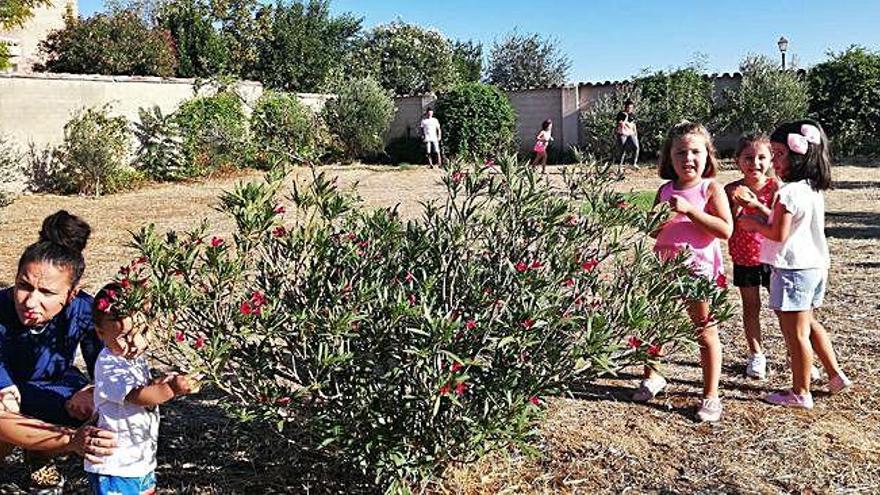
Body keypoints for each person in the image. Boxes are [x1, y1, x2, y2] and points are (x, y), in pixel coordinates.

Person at [0, 210, 118, 493]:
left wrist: (91, 390)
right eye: (23, 286)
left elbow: (103, 362)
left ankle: (40, 455)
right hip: (9, 393)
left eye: (47, 293)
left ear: (71, 293)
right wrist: (4, 387)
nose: (30, 301)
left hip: (53, 386)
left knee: (94, 409)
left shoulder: (85, 311)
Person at [740, 120, 852, 409]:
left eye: (777, 154)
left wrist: (752, 224)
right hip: (814, 267)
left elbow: (778, 232)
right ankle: (834, 374)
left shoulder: (788, 192)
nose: (773, 162)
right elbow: (785, 223)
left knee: (795, 334)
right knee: (810, 324)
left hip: (792, 270)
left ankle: (800, 392)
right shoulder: (811, 189)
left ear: (797, 156)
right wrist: (760, 209)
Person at [634, 121, 733, 422]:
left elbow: (725, 229)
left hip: (698, 273)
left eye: (695, 152)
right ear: (669, 157)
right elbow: (652, 232)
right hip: (665, 269)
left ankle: (711, 395)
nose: (688, 159)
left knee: (704, 330)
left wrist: (691, 211)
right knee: (655, 324)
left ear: (708, 155)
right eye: (680, 153)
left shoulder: (710, 189)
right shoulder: (665, 190)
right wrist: (660, 218)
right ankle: (653, 376)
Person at [85, 283, 199, 495]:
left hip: (139, 460)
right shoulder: (109, 364)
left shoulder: (133, 357)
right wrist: (171, 389)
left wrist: (157, 384)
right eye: (125, 337)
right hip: (116, 465)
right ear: (100, 334)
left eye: (143, 331)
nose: (136, 342)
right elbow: (137, 396)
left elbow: (142, 388)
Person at [724, 133, 779, 379]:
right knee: (751, 307)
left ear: (771, 160)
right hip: (744, 258)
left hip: (773, 258)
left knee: (783, 310)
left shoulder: (776, 188)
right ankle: (756, 354)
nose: (754, 163)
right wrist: (736, 204)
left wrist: (757, 205)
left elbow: (780, 222)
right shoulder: (730, 189)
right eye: (748, 157)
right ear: (737, 160)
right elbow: (726, 224)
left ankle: (797, 353)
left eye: (761, 157)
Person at [615, 100, 640, 170]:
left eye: (631, 108)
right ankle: (620, 166)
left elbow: (634, 125)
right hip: (622, 134)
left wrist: (636, 134)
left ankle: (633, 163)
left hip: (631, 133)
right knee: (622, 150)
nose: (630, 109)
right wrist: (625, 118)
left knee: (636, 147)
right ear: (625, 107)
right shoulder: (621, 114)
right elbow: (620, 124)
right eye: (628, 107)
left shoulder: (633, 115)